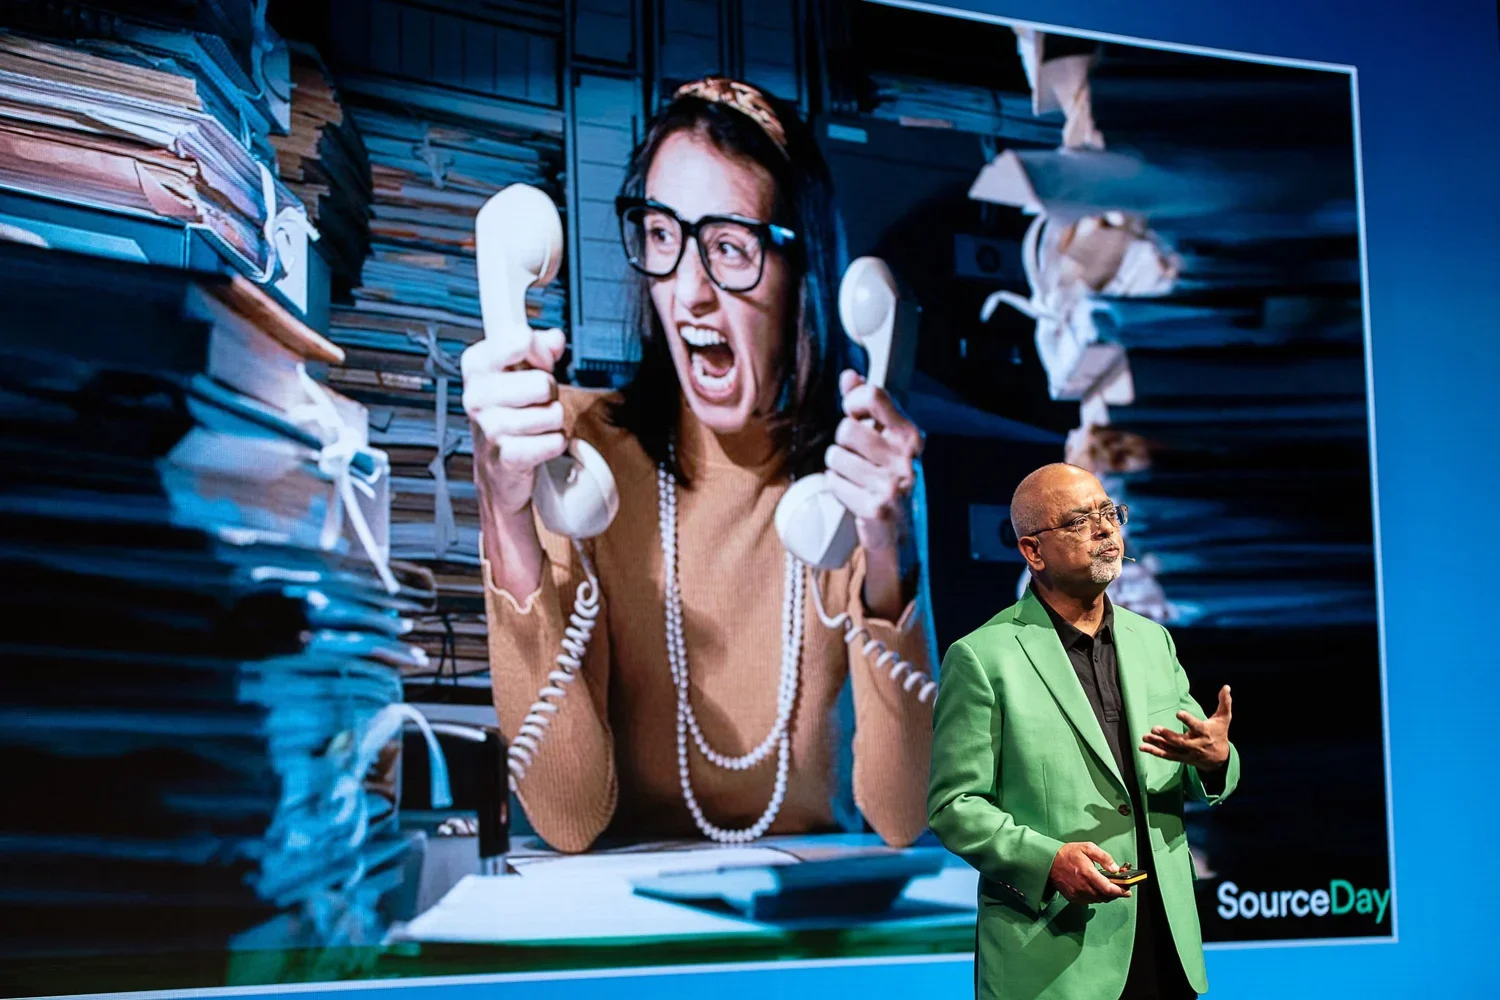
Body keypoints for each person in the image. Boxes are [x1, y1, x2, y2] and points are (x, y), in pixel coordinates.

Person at [461, 76, 935, 854]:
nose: (689, 293)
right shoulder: (577, 461)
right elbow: (567, 816)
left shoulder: (854, 481)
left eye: (728, 246)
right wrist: (506, 520)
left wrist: (889, 554)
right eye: (660, 235)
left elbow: (902, 813)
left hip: (811, 944)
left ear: (801, 271)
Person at [927, 462, 1240, 999]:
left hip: (1164, 940)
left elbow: (1194, 767)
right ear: (1033, 551)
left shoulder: (1152, 641)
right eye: (1078, 521)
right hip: (1055, 954)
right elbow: (954, 805)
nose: (1104, 530)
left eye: (1108, 513)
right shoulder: (983, 658)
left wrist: (1213, 760)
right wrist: (1046, 861)